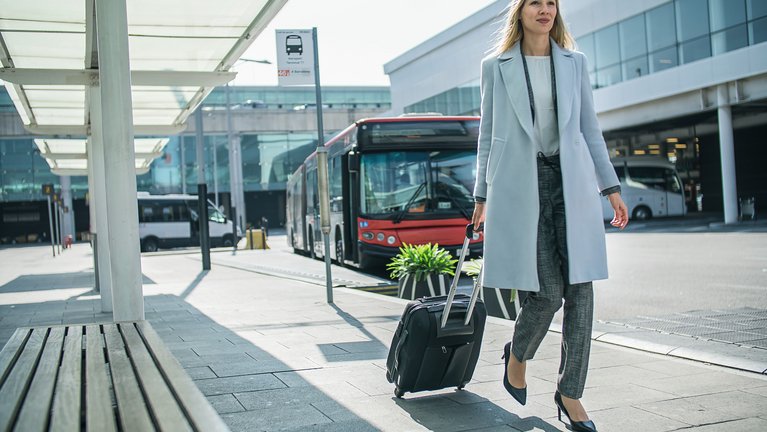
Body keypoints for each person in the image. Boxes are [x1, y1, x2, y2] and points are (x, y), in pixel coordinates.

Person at [470, 1, 628, 431]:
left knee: (581, 291)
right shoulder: (496, 65)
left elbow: (589, 129)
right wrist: (481, 194)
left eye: (551, 3)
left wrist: (610, 188)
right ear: (519, 11)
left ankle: (570, 392)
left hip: (571, 183)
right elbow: (488, 136)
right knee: (547, 292)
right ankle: (517, 355)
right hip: (521, 186)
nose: (544, 10)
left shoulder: (574, 63)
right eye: (535, 3)